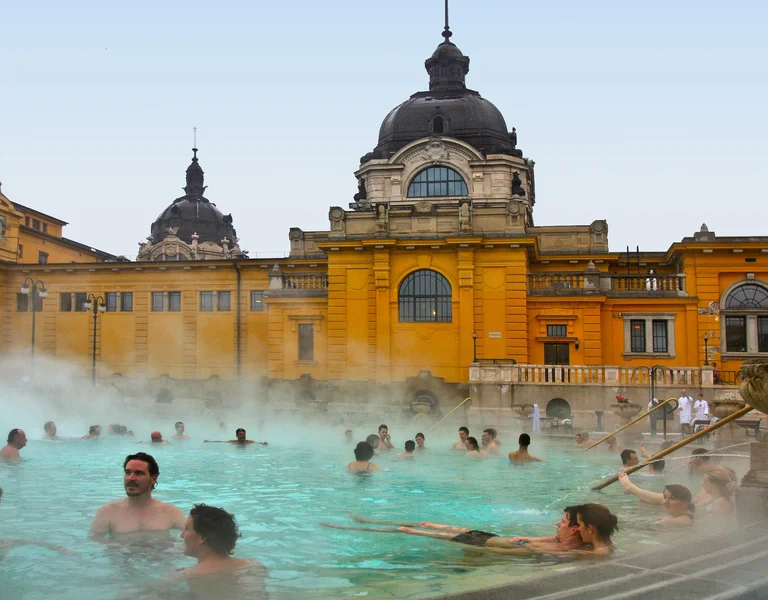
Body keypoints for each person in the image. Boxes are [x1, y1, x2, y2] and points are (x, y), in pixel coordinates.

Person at [320, 506, 594, 556]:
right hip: (492, 539)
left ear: (575, 531)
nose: (557, 523)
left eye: (564, 521)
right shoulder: (562, 542)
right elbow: (537, 540)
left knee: (411, 531)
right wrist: (527, 538)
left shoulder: (566, 550)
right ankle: (366, 521)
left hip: (489, 544)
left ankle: (349, 525)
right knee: (426, 525)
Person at [89, 452, 186, 539]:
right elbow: (93, 541)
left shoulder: (170, 513)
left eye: (138, 473)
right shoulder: (107, 512)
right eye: (127, 472)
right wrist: (116, 546)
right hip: (123, 558)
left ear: (153, 478)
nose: (131, 478)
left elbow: (196, 538)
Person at [180, 504, 262, 578]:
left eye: (186, 529)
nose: (182, 535)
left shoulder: (186, 576)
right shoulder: (253, 566)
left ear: (202, 537)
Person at [618, 473, 695, 528]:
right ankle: (630, 488)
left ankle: (630, 487)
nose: (665, 502)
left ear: (686, 503)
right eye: (665, 497)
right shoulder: (685, 516)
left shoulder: (676, 521)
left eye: (672, 498)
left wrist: (620, 519)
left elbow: (640, 526)